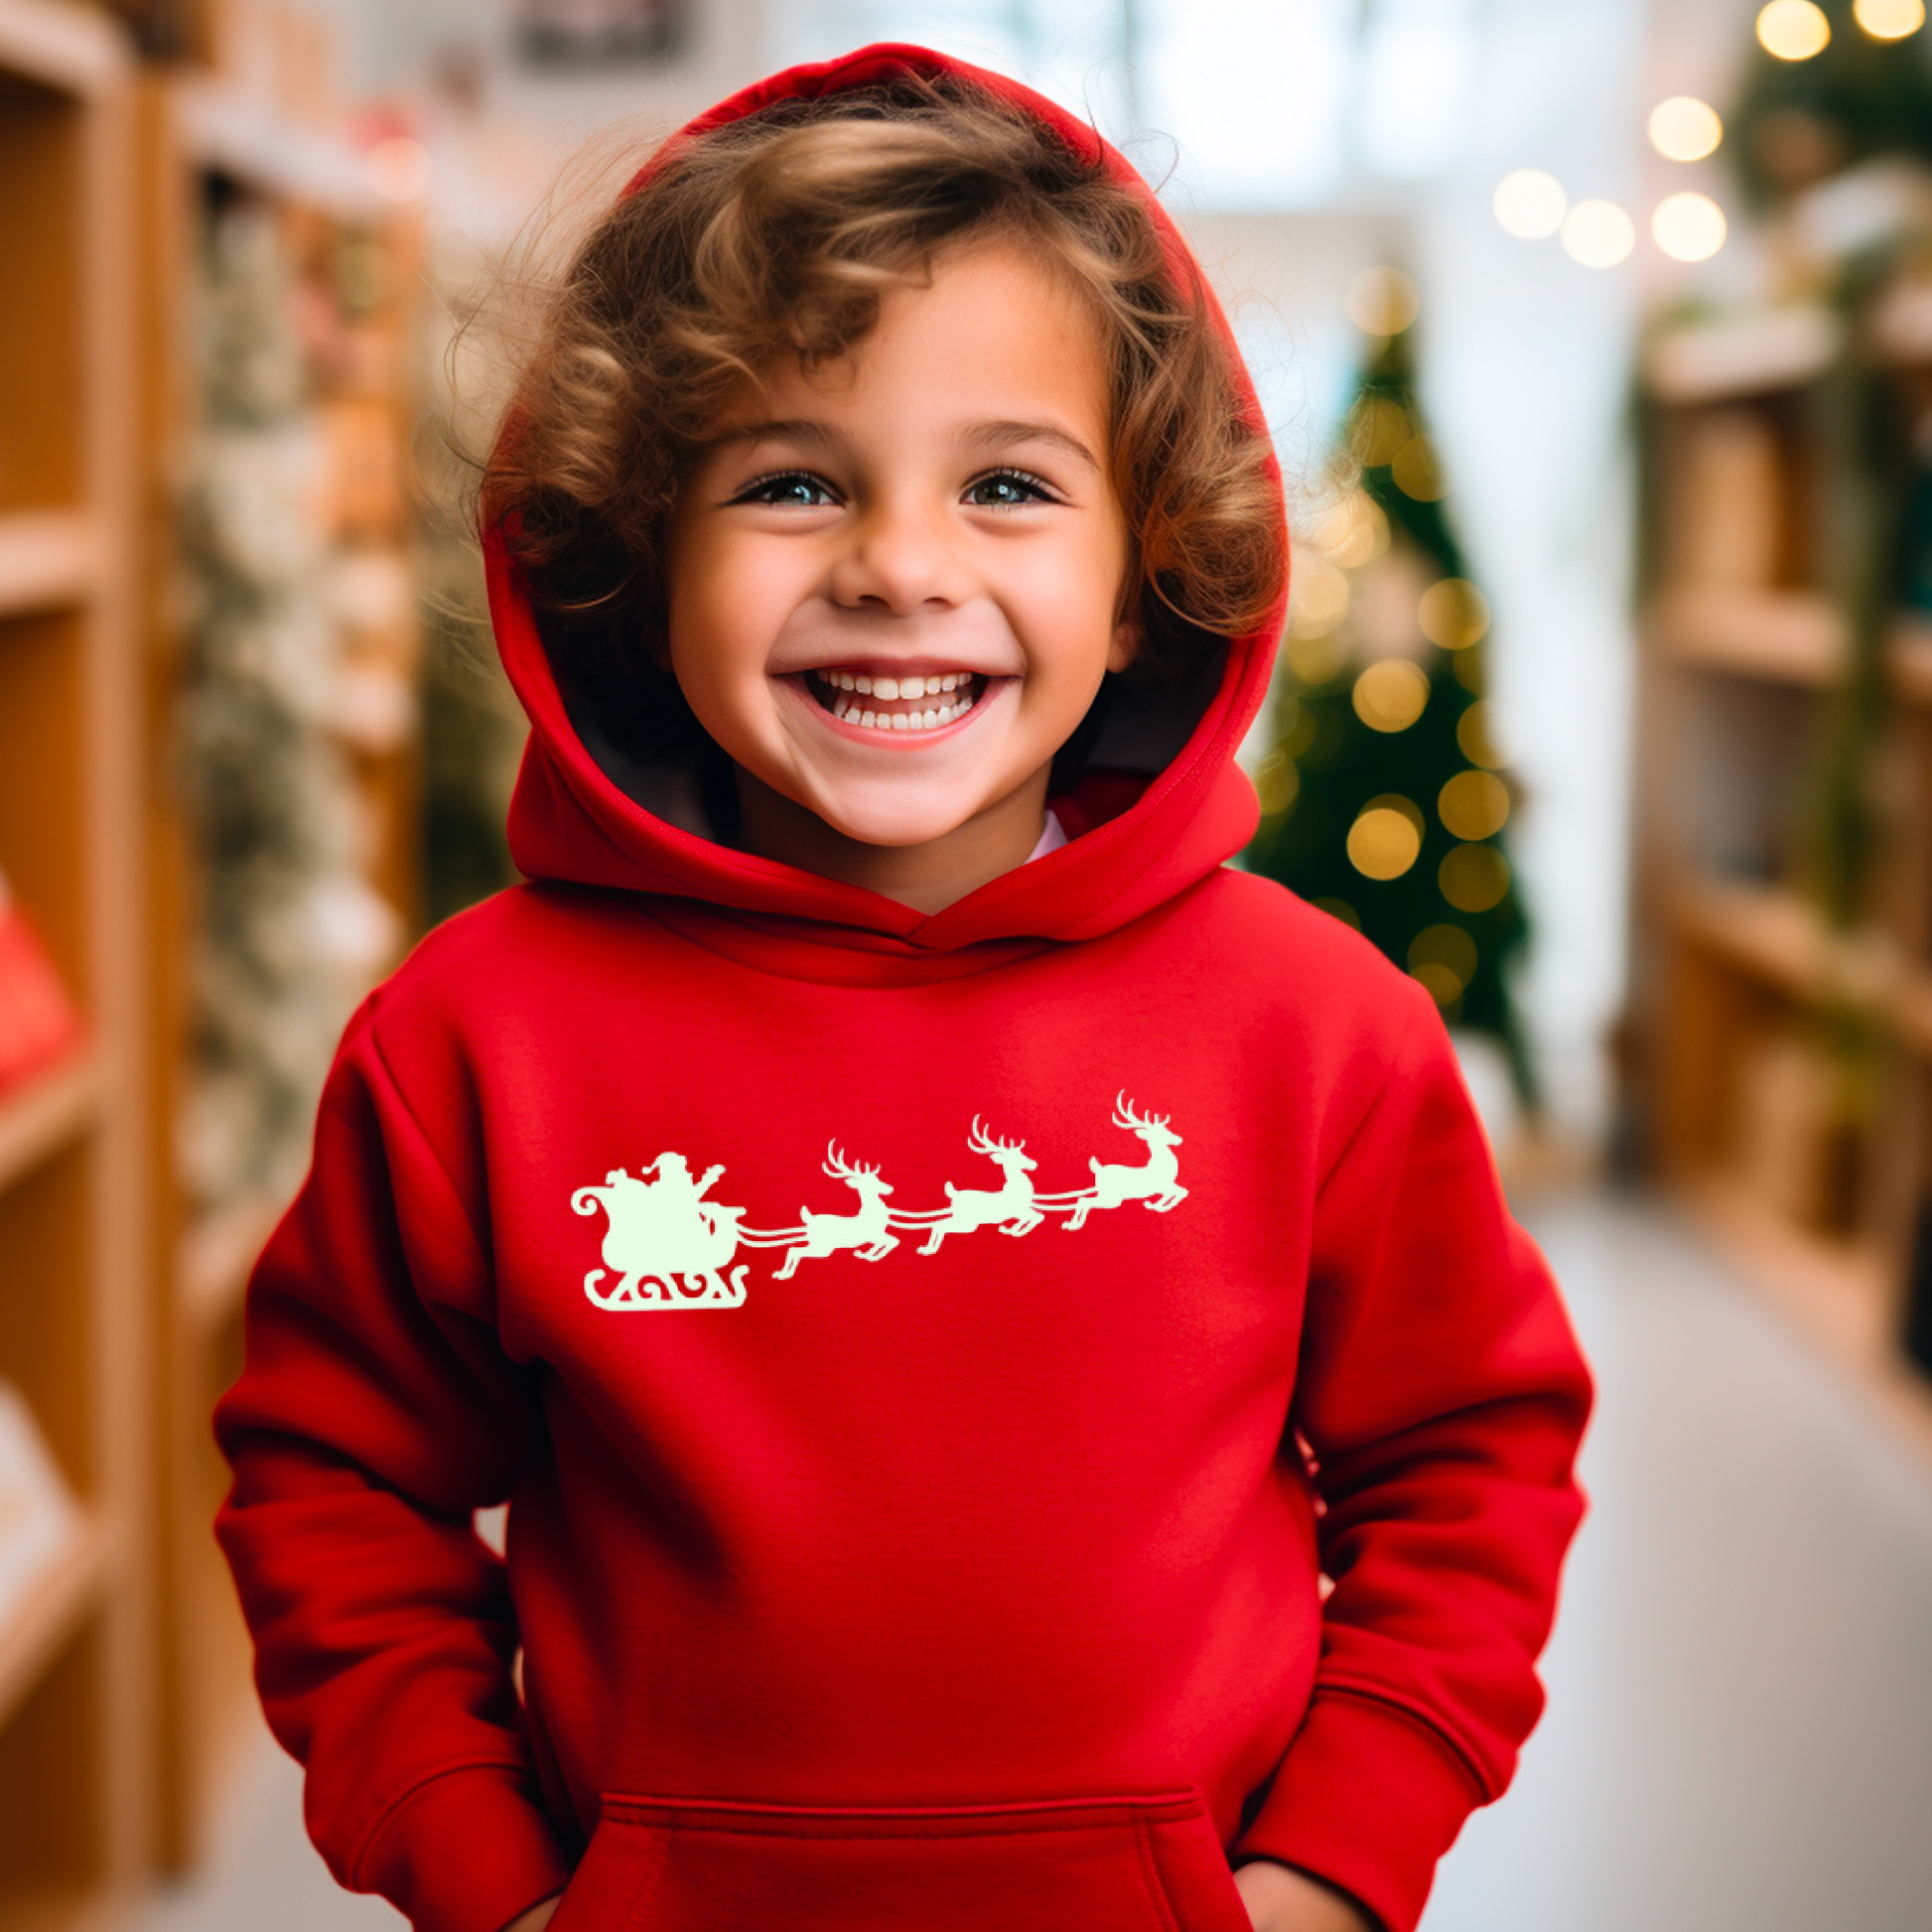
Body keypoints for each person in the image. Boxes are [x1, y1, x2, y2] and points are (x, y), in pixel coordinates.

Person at [214, 43, 1591, 1932]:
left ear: (1138, 581)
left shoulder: (1318, 1027)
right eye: (792, 480)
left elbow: (1469, 1466)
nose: (898, 566)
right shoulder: (471, 1042)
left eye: (1009, 485)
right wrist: (480, 1866)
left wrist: (1330, 1872)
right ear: (642, 556)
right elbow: (335, 1484)